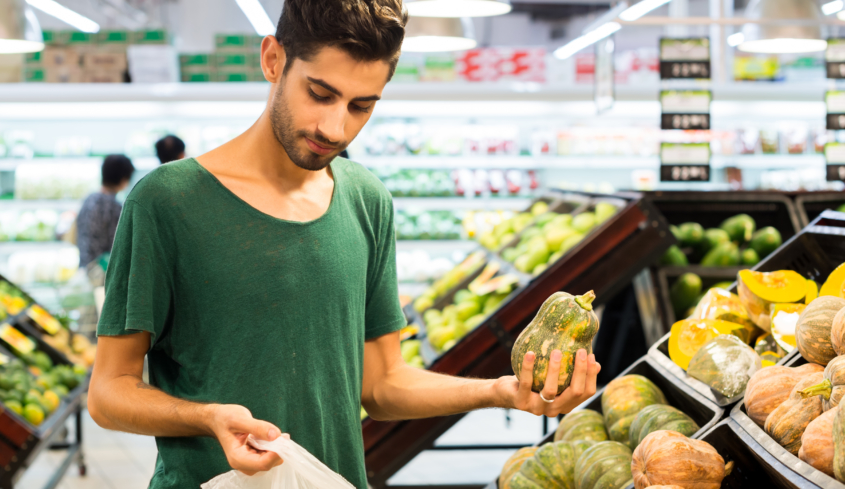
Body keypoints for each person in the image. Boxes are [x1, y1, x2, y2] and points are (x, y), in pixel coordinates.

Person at [87, 1, 601, 488]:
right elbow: (108, 393)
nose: (335, 128)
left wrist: (500, 391)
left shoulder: (366, 200)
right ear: (273, 60)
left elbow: (382, 385)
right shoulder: (167, 201)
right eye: (320, 93)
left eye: (361, 106)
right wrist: (207, 418)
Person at [75, 154, 135, 268]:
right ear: (124, 179)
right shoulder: (114, 207)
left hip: (85, 266)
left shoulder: (88, 199)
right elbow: (117, 246)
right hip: (103, 270)